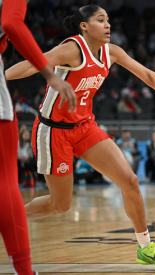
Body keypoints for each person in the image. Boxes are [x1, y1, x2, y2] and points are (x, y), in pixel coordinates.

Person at [5, 5, 155, 270]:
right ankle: (6, 219)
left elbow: (146, 74)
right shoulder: (72, 49)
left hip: (85, 126)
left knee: (130, 181)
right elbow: (32, 63)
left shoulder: (112, 52)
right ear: (84, 26)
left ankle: (145, 248)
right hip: (53, 131)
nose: (108, 25)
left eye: (108, 20)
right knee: (59, 205)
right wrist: (2, 78)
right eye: (100, 20)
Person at [0, 0, 76, 274]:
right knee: (6, 186)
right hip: (45, 125)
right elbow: (11, 23)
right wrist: (49, 75)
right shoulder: (68, 49)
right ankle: (24, 270)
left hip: (78, 127)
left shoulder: (110, 51)